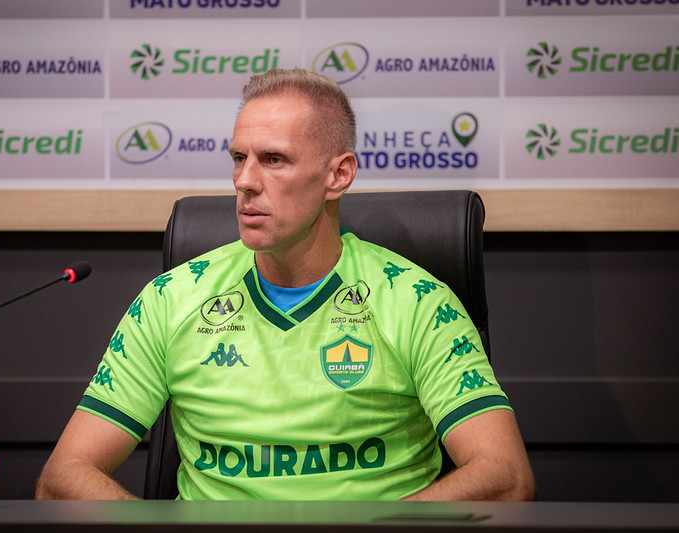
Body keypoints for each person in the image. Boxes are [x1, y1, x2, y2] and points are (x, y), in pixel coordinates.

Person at [36, 68, 534, 501]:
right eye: (238, 157)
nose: (244, 181)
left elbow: (505, 476)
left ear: (338, 175)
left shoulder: (418, 301)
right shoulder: (170, 299)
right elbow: (64, 477)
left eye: (273, 160)